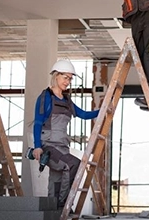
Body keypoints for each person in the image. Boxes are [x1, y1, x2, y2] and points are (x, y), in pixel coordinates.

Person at [31, 60, 99, 210]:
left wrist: (103, 111)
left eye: (70, 78)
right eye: (65, 78)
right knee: (73, 164)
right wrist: (37, 147)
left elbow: (83, 114)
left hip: (62, 147)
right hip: (48, 146)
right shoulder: (45, 98)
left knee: (56, 181)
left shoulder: (67, 101)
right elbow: (37, 123)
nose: (68, 82)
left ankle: (53, 211)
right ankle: (64, 205)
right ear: (56, 76)